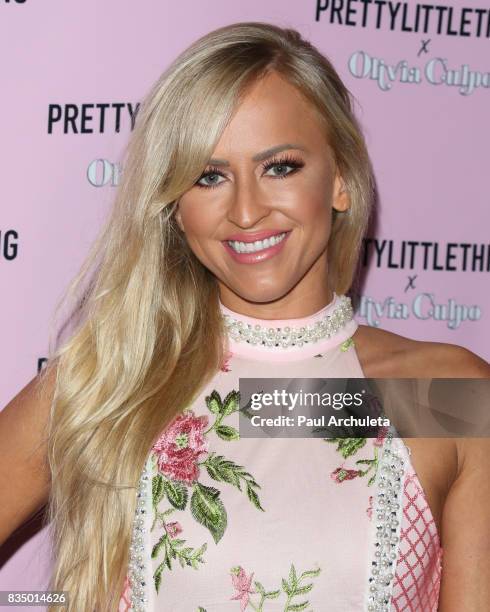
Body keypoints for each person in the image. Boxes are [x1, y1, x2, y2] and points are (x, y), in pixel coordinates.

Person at [0, 21, 489, 612]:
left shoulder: (444, 394)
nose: (248, 210)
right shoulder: (114, 378)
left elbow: (283, 405)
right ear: (176, 209)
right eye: (210, 177)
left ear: (340, 179)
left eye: (279, 166)